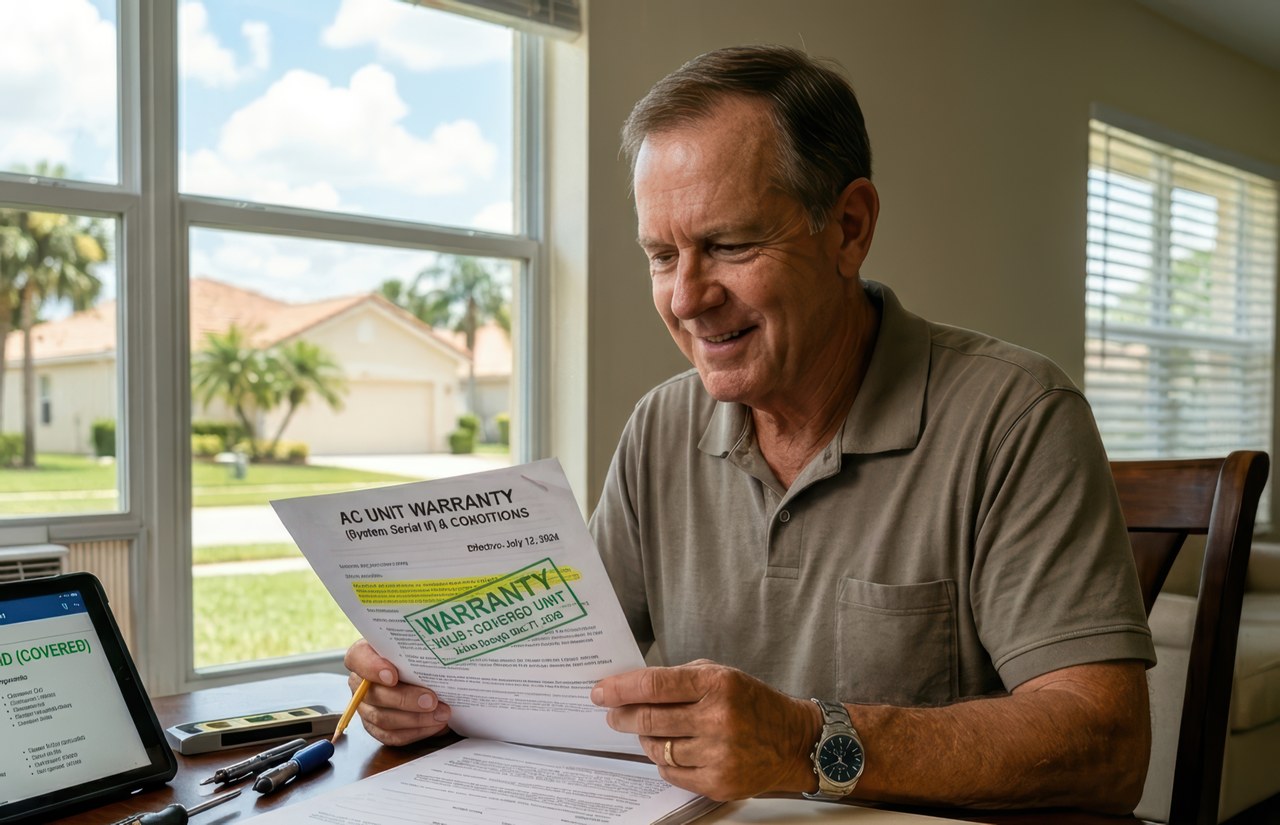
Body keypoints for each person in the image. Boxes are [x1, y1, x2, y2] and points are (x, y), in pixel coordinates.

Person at [344, 45, 1155, 814]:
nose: (687, 297)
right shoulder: (660, 426)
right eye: (661, 255)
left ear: (849, 228)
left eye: (727, 244)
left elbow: (1107, 744)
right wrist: (433, 698)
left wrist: (809, 743)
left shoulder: (1016, 416)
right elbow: (567, 687)